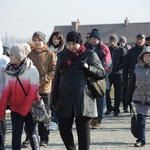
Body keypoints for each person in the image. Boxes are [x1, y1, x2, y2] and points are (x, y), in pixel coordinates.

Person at [51, 30, 105, 150]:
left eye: (73, 44)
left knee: (83, 131)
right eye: (69, 44)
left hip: (84, 98)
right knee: (64, 128)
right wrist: (54, 99)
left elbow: (101, 73)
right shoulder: (62, 56)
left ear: (79, 43)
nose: (71, 47)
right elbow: (56, 78)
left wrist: (87, 67)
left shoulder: (89, 55)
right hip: (65, 98)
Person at [0, 43, 40, 150]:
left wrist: (24, 110)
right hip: (15, 109)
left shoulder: (32, 70)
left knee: (31, 133)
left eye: (12, 55)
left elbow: (33, 92)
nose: (9, 57)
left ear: (19, 56)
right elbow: (6, 91)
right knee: (16, 135)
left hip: (30, 110)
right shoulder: (9, 71)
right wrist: (1, 111)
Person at [24, 31, 57, 147]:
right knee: (29, 115)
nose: (37, 43)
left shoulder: (50, 54)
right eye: (35, 40)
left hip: (44, 90)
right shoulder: (29, 54)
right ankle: (29, 137)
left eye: (39, 40)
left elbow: (53, 70)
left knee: (44, 115)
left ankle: (44, 139)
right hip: (30, 90)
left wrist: (41, 81)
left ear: (44, 41)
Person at [86, 28, 112, 128]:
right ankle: (90, 118)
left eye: (95, 38)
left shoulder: (104, 48)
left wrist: (95, 69)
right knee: (89, 98)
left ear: (99, 39)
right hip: (88, 76)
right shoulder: (87, 48)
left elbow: (107, 62)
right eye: (91, 38)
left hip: (100, 76)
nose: (93, 40)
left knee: (101, 98)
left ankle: (98, 120)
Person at [126, 46, 150, 147]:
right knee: (141, 120)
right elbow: (131, 83)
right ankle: (141, 140)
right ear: (141, 56)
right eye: (145, 55)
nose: (147, 58)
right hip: (139, 97)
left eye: (149, 56)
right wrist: (128, 97)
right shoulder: (137, 67)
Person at [105, 34, 127, 116]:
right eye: (111, 41)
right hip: (109, 74)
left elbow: (125, 62)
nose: (112, 42)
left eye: (114, 41)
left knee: (118, 92)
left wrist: (117, 67)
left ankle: (116, 109)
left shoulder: (121, 50)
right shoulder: (107, 50)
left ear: (116, 41)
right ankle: (109, 107)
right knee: (106, 91)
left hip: (118, 74)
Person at [47, 31, 64, 131]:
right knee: (50, 100)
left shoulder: (63, 50)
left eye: (57, 39)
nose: (55, 40)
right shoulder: (48, 50)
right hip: (50, 77)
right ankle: (52, 119)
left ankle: (56, 120)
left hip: (60, 77)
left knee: (58, 99)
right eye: (54, 38)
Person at [123, 33, 146, 102]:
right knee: (131, 95)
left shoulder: (147, 51)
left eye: (141, 39)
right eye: (138, 39)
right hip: (133, 77)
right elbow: (126, 66)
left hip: (145, 77)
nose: (139, 41)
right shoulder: (131, 52)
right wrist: (124, 79)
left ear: (144, 40)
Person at [0, 39, 9, 150]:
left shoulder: (4, 60)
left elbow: (8, 79)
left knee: (1, 118)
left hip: (2, 93)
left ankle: (3, 138)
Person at [119, 36, 131, 113]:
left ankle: (129, 105)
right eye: (120, 42)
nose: (121, 44)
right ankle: (125, 106)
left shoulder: (129, 50)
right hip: (121, 73)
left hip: (129, 73)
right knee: (123, 90)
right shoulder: (118, 50)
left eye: (123, 42)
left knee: (129, 90)